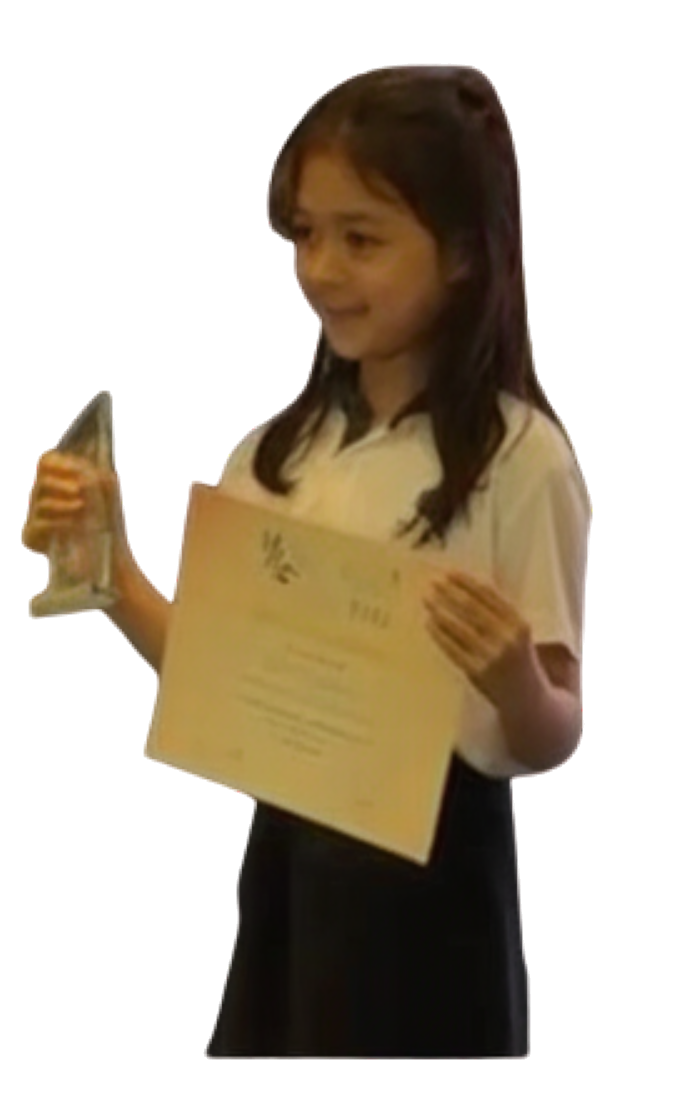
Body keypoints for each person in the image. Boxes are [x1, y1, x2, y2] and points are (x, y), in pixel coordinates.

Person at [23, 65, 591, 1059]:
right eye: (304, 234)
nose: (321, 269)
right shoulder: (274, 457)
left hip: (438, 889)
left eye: (361, 238)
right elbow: (223, 681)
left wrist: (512, 679)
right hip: (288, 865)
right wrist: (109, 568)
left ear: (465, 252)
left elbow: (554, 731)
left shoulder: (519, 460)